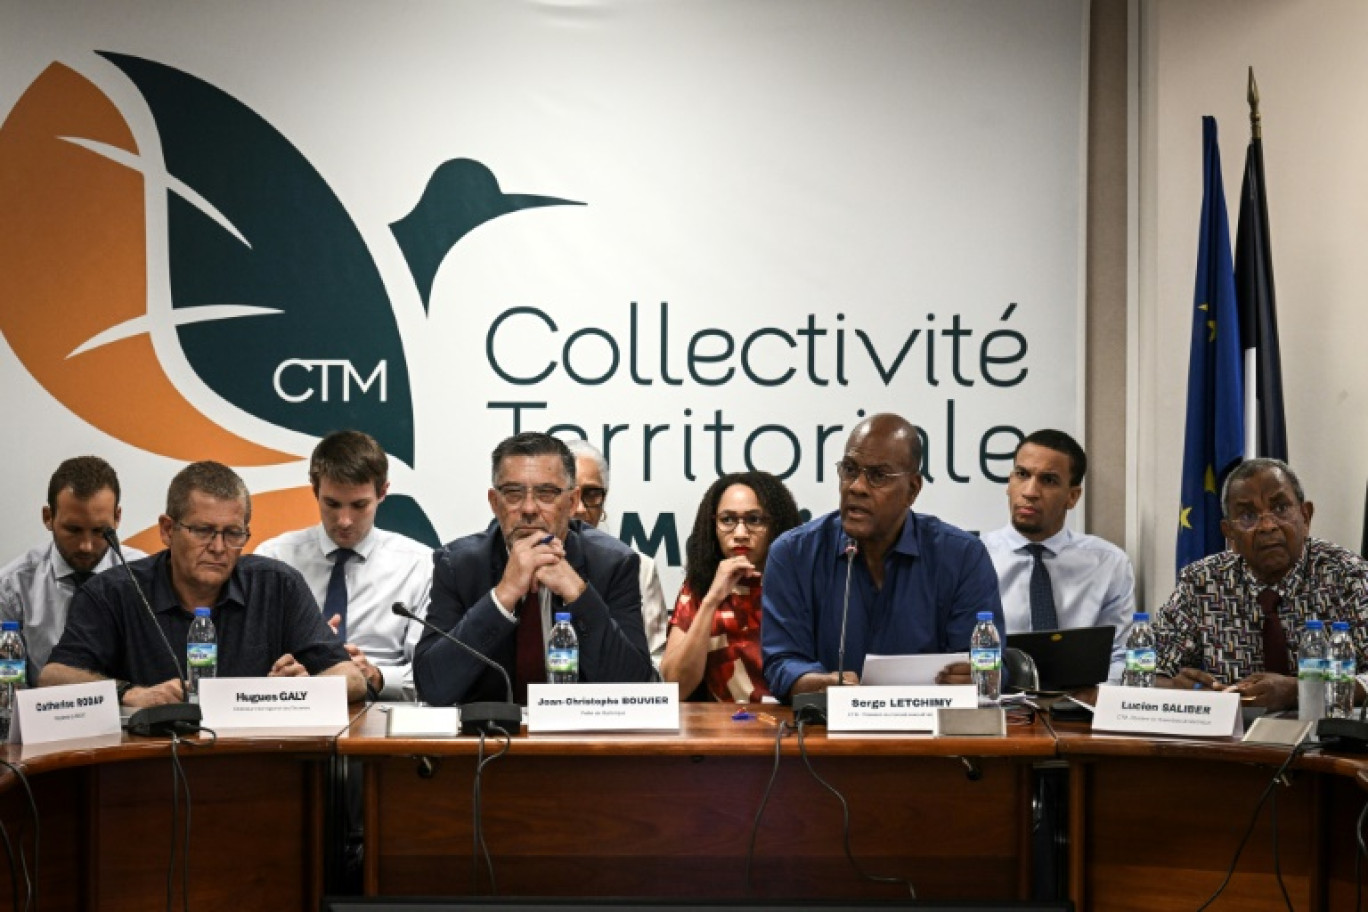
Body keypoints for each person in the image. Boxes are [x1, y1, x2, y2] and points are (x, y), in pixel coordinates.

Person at [40, 461, 366, 704]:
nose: (219, 548)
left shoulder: (277, 585)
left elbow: (350, 678)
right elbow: (53, 678)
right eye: (203, 531)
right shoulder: (114, 591)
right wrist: (128, 693)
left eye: (233, 533)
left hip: (251, 761)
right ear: (167, 530)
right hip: (146, 767)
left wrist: (298, 690)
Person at [762, 413, 1004, 700]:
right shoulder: (793, 554)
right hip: (825, 734)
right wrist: (818, 684)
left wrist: (975, 677)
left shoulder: (962, 556)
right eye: (850, 470)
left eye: (878, 476)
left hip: (935, 735)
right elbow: (782, 662)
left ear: (912, 490)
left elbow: (985, 663)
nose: (856, 487)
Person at [413, 432, 654, 706]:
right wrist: (502, 597)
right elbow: (432, 687)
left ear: (572, 502)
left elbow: (636, 688)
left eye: (546, 494)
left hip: (581, 742)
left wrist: (578, 593)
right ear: (494, 502)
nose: (529, 508)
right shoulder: (458, 564)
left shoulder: (613, 564)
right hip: (487, 740)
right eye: (514, 494)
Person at [1154, 458, 1368, 710]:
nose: (1267, 526)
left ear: (1305, 515)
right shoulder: (1201, 582)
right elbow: (1141, 669)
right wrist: (1173, 689)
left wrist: (1302, 690)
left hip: (1327, 740)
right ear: (1229, 533)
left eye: (1280, 509)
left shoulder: (1348, 576)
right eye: (1247, 515)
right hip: (1231, 741)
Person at [255, 431, 432, 700]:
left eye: (359, 505)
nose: (344, 520)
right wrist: (281, 671)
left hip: (384, 718)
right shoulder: (274, 559)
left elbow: (435, 672)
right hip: (292, 712)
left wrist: (378, 676)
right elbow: (247, 657)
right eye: (332, 504)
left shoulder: (419, 566)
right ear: (315, 490)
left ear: (383, 492)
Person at [981, 430, 1136, 683]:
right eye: (1022, 475)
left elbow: (1120, 656)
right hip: (1000, 703)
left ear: (1072, 496)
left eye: (1049, 480)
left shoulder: (1108, 563)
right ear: (1009, 483)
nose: (1030, 491)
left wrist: (1093, 696)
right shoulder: (976, 557)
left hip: (1080, 707)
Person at [0, 456, 144, 678]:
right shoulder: (13, 586)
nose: (86, 546)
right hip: (46, 710)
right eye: (73, 530)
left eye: (99, 531)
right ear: (48, 518)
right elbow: (7, 683)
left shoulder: (142, 576)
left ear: (117, 518)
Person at [663, 471, 802, 702]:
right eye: (727, 520)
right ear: (712, 525)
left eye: (754, 520)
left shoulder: (800, 584)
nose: (740, 534)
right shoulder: (699, 586)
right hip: (717, 728)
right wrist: (712, 600)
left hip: (787, 727)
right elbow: (675, 688)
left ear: (776, 524)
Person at [566, 440, 669, 672]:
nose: (581, 509)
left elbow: (655, 663)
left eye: (592, 495)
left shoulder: (639, 566)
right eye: (571, 495)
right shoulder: (529, 562)